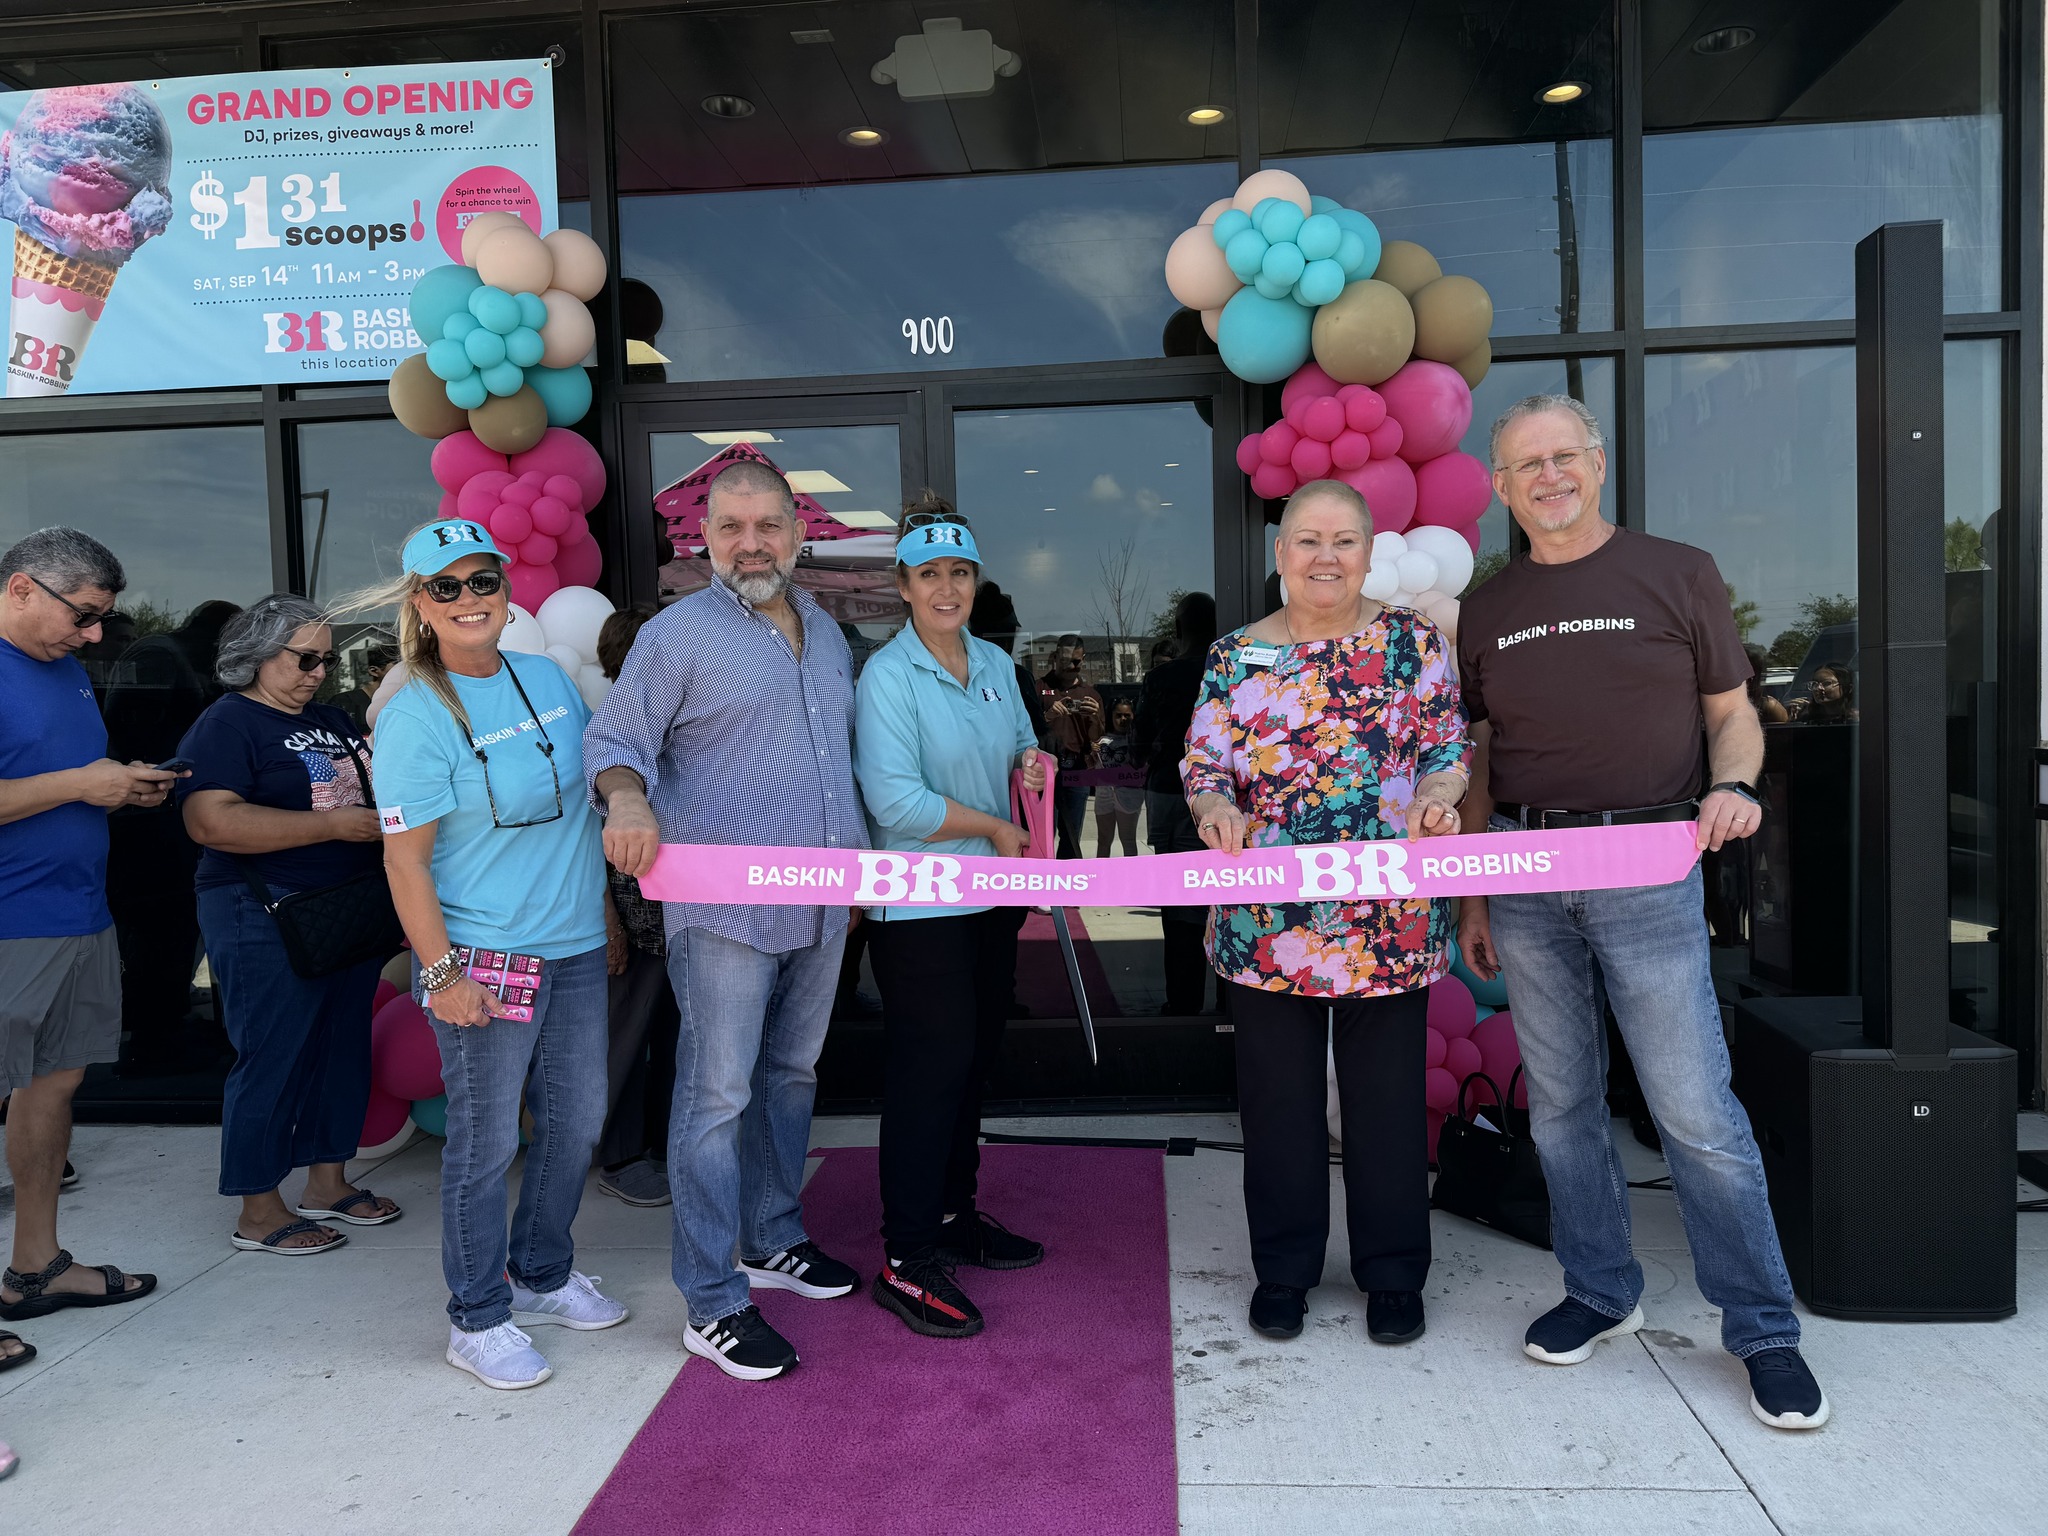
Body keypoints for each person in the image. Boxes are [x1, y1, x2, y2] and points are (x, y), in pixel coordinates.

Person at [1455, 394, 1829, 1431]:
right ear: (1499, 486)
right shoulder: (1484, 608)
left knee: (1695, 1114)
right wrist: (1476, 886)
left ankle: (1759, 1328)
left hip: (1647, 864)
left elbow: (1728, 716)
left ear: (1596, 462)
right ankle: (1598, 1288)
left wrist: (1738, 787)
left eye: (1561, 456)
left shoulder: (1677, 571)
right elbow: (1479, 756)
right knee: (1562, 1106)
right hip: (1525, 870)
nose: (1546, 477)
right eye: (1523, 465)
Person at [587, 460, 864, 1383]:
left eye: (769, 526)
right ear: (705, 536)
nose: (752, 544)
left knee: (790, 1074)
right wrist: (627, 804)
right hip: (724, 911)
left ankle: (773, 1237)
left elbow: (836, 764)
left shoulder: (827, 635)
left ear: (798, 531)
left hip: (822, 903)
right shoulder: (676, 636)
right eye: (733, 526)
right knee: (716, 1098)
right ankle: (712, 1300)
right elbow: (616, 740)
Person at [1182, 480, 1469, 1347]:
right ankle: (1284, 1270)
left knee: (1385, 1104)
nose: (1326, 557)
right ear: (1280, 553)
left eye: (1344, 540)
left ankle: (1392, 1275)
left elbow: (1447, 747)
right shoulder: (1235, 656)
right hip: (1266, 925)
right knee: (1279, 1107)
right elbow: (1203, 766)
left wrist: (1441, 795)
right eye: (1308, 540)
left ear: (1369, 550)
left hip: (1387, 921)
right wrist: (1214, 812)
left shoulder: (1412, 643)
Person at [358, 518, 625, 1392]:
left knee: (577, 1123)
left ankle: (541, 1275)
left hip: (577, 943)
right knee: (482, 1144)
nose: (471, 599)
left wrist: (611, 915)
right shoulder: (415, 717)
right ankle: (475, 1317)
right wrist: (441, 975)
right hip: (486, 953)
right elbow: (405, 861)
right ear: (419, 605)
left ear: (506, 591)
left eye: (484, 582)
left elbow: (593, 794)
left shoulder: (544, 675)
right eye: (448, 587)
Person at [854, 498, 1048, 1339]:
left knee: (971, 1066)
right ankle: (905, 1257)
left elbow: (1020, 748)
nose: (945, 587)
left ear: (976, 581)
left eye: (959, 573)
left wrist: (1031, 764)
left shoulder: (994, 663)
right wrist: (994, 825)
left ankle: (953, 1218)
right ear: (903, 584)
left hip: (988, 898)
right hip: (921, 905)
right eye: (928, 573)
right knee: (929, 1075)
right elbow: (893, 803)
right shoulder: (886, 677)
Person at [177, 595, 401, 1254]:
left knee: (340, 1046)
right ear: (255, 654)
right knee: (273, 1052)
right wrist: (332, 826)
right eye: (305, 658)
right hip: (264, 908)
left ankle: (328, 1181)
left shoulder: (331, 718)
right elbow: (209, 821)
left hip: (345, 909)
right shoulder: (228, 725)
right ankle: (258, 1207)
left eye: (327, 661)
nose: (318, 672)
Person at [0, 528, 167, 1343]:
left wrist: (116, 788)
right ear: (24, 587)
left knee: (53, 1090)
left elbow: (43, 783)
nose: (95, 635)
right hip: (10, 926)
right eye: (86, 615)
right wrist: (78, 782)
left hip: (77, 915)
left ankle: (36, 1267)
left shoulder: (61, 669)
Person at [590, 603, 679, 1207]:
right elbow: (583, 838)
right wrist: (609, 922)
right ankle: (617, 1155)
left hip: (690, 914)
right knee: (624, 1036)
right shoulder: (607, 727)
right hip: (636, 915)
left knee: (680, 1038)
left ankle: (669, 1149)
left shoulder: (679, 718)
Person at [1136, 592, 1219, 1015]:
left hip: (1170, 793)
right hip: (1225, 799)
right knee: (1227, 899)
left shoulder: (1161, 679)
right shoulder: (1231, 671)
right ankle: (1228, 1004)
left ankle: (1183, 1004)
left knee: (1179, 902)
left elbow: (1138, 743)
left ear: (1178, 630)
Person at [1038, 633, 1102, 857]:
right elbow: (1024, 729)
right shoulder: (1040, 688)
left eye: (1076, 661)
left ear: (1083, 659)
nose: (1071, 666)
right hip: (1043, 772)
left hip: (1077, 770)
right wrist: (1047, 715)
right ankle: (1043, 881)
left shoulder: (1090, 694)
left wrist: (1094, 717)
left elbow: (1098, 740)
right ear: (1055, 657)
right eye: (1065, 661)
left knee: (1072, 835)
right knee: (1042, 833)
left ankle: (1068, 883)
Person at [1093, 697, 1144, 857]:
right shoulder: (1101, 739)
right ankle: (1101, 876)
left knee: (1128, 840)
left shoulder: (1139, 741)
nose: (1122, 719)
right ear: (1111, 716)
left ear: (1133, 716)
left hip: (1129, 796)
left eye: (1126, 715)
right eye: (1118, 715)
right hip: (1104, 795)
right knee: (1103, 840)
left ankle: (1131, 879)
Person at [330, 639, 397, 735]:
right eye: (396, 666)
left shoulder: (402, 702)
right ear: (374, 671)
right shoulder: (342, 704)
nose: (404, 671)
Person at [1790, 663, 1856, 723]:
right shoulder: (1807, 719)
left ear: (1848, 688)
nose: (1818, 688)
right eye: (1814, 684)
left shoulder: (1857, 719)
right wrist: (1793, 720)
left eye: (1826, 683)